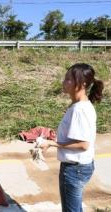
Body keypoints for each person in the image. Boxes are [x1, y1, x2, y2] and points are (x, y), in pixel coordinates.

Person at [38, 63, 104, 212]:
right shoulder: (79, 106)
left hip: (74, 169)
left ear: (83, 84)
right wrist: (56, 137)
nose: (64, 82)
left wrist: (53, 144)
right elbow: (76, 135)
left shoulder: (80, 109)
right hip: (79, 167)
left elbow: (83, 144)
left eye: (69, 79)